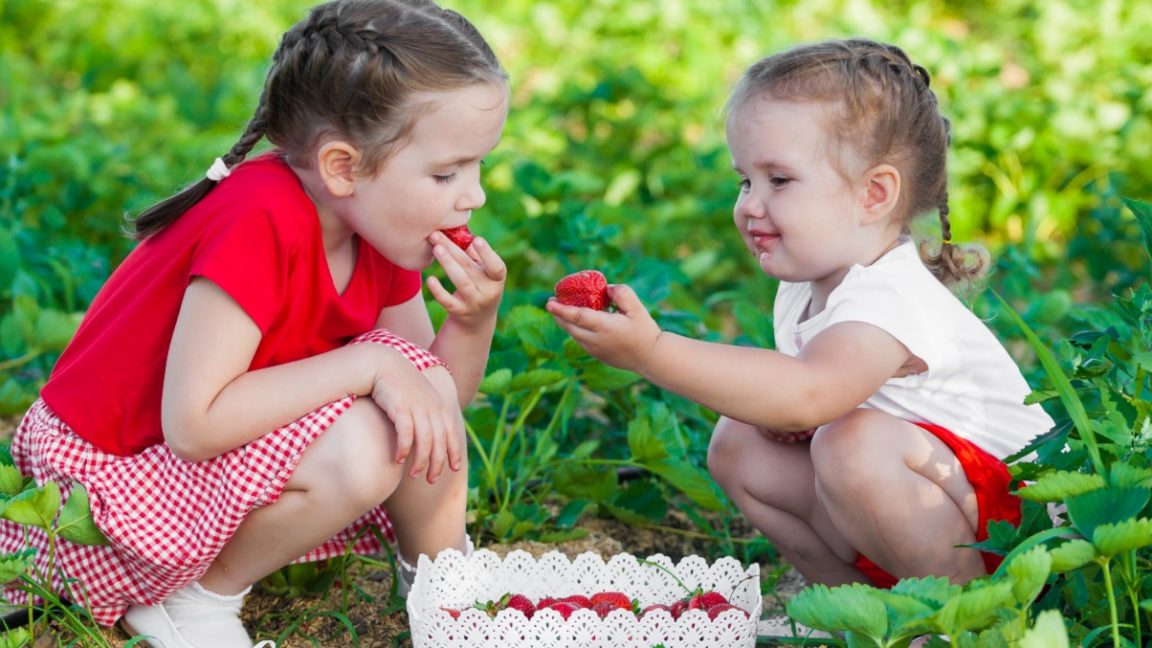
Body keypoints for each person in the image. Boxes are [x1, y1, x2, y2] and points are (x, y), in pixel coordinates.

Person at [0, 0, 509, 646]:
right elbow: (194, 425)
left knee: (407, 399)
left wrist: (472, 322)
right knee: (368, 439)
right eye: (446, 173)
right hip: (101, 493)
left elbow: (431, 406)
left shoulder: (374, 226)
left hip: (188, 469)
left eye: (477, 166)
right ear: (343, 167)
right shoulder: (259, 216)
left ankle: (444, 593)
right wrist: (370, 365)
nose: (476, 195)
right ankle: (194, 600)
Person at [548, 38, 1054, 590]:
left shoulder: (893, 296)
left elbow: (808, 394)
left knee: (852, 443)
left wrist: (651, 352)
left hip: (1023, 529)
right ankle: (854, 606)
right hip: (936, 507)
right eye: (745, 180)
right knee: (740, 441)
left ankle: (976, 616)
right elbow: (806, 405)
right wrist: (797, 423)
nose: (749, 204)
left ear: (874, 195)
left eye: (779, 180)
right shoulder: (804, 289)